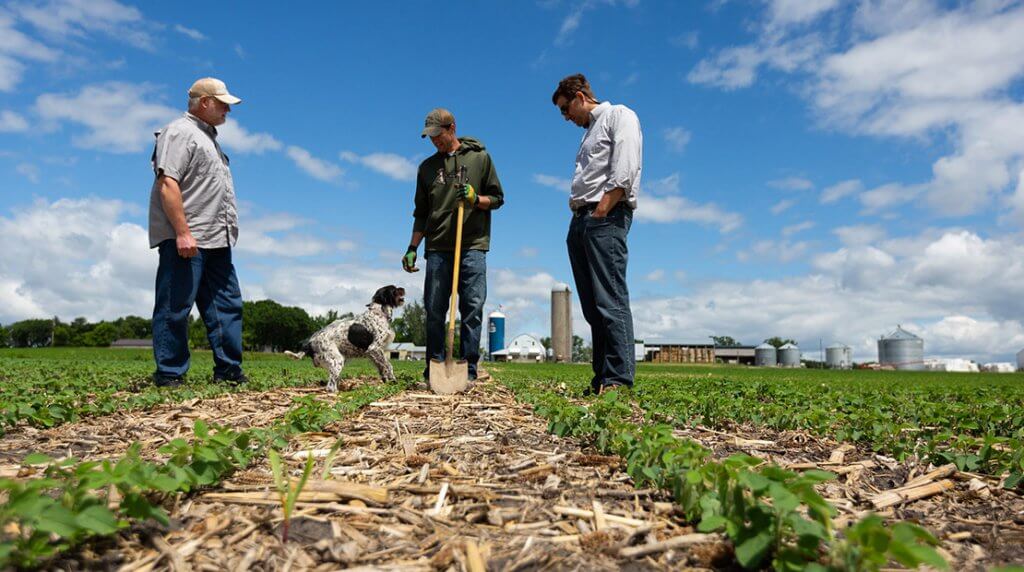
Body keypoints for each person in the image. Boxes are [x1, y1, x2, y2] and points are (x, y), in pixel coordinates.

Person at [147, 77, 247, 388]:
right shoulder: (179, 132)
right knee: (175, 306)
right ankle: (170, 374)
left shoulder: (209, 139)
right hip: (189, 237)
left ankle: (229, 372)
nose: (228, 111)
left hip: (218, 239)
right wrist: (182, 233)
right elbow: (168, 184)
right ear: (205, 103)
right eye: (223, 104)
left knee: (227, 306)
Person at [551, 73, 642, 395]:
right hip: (582, 219)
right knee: (592, 307)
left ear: (579, 97)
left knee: (610, 300)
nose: (565, 117)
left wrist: (603, 209)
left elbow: (626, 167)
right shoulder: (589, 132)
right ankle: (602, 378)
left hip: (604, 216)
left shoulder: (619, 115)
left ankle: (618, 380)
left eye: (565, 109)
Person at [402, 108, 504, 382]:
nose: (434, 140)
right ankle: (434, 367)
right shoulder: (426, 169)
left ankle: (469, 369)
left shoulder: (480, 158)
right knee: (434, 309)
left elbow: (497, 199)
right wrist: (412, 247)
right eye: (430, 137)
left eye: (438, 134)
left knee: (472, 307)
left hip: (472, 244)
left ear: (452, 128)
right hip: (437, 247)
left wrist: (475, 198)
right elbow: (421, 213)